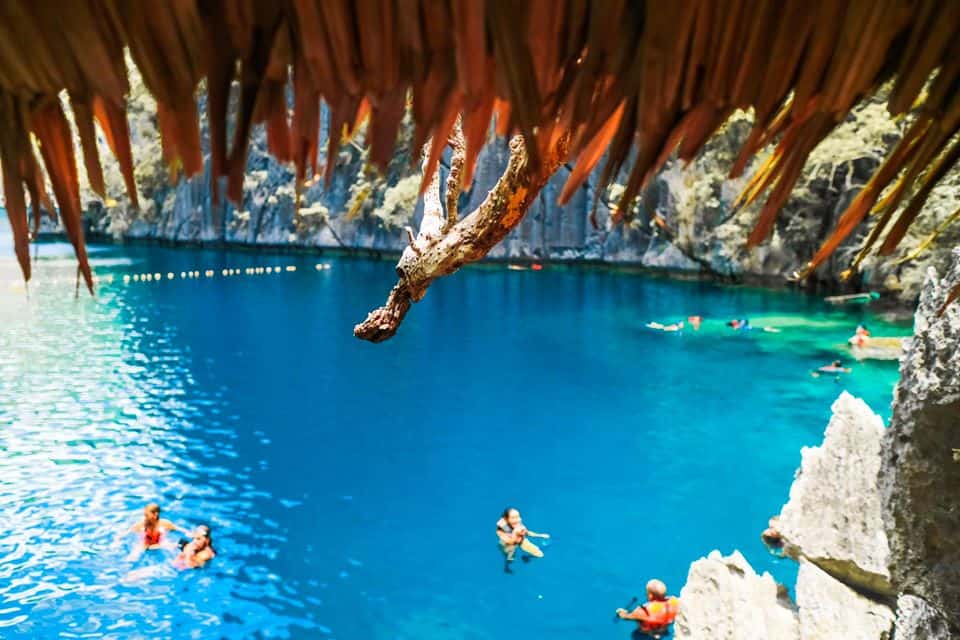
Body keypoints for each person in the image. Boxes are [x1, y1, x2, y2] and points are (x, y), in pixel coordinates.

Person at [119, 503, 185, 557]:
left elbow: (179, 529)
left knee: (174, 549)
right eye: (144, 515)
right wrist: (118, 538)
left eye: (147, 515)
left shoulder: (165, 524)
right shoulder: (141, 524)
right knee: (131, 558)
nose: (145, 517)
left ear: (155, 515)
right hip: (143, 547)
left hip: (160, 546)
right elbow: (127, 532)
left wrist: (189, 533)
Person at [496, 507, 550, 573]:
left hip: (522, 542)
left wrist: (541, 535)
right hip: (512, 544)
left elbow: (528, 533)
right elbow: (509, 540)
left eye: (517, 517)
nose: (518, 519)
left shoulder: (518, 526)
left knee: (540, 554)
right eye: (513, 518)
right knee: (510, 558)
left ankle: (523, 558)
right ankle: (508, 566)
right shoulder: (508, 529)